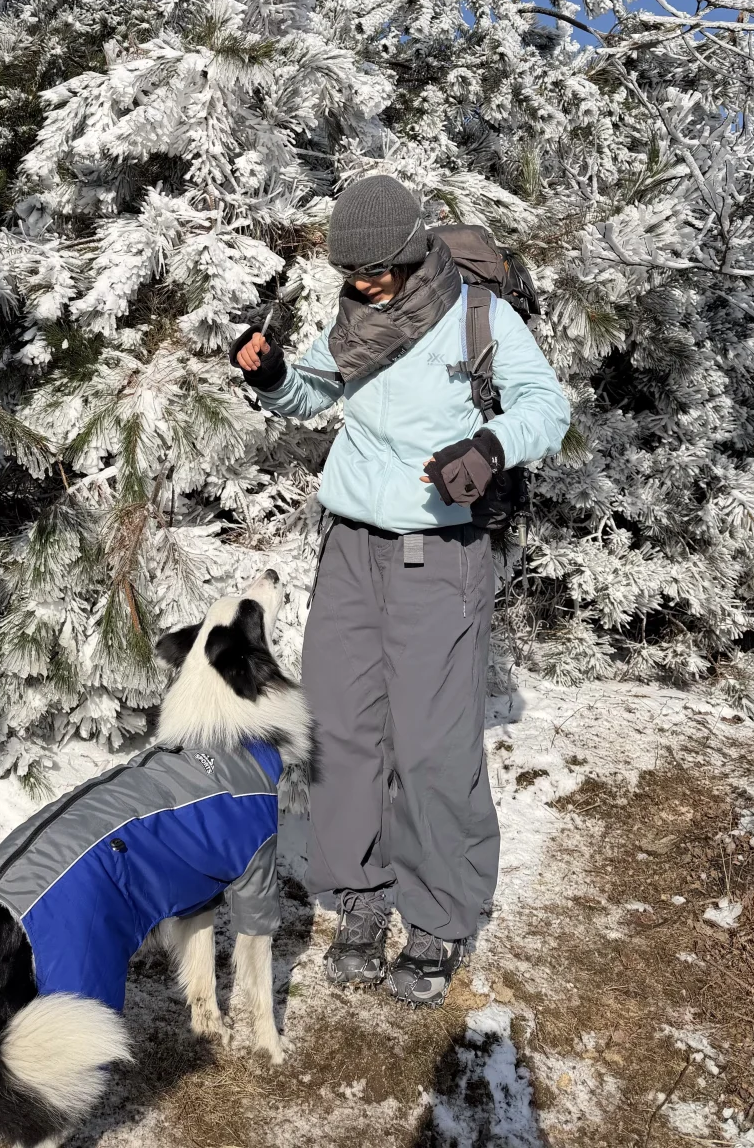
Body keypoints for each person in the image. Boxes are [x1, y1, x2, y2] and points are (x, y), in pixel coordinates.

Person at [230, 173, 569, 1008]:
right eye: (351, 274)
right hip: (350, 546)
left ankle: (439, 918)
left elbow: (547, 407)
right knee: (341, 729)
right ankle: (359, 895)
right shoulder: (356, 316)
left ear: (414, 253)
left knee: (431, 745)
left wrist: (488, 448)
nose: (365, 284)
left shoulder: (477, 317)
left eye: (376, 270)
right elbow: (313, 392)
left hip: (440, 553)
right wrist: (271, 374)